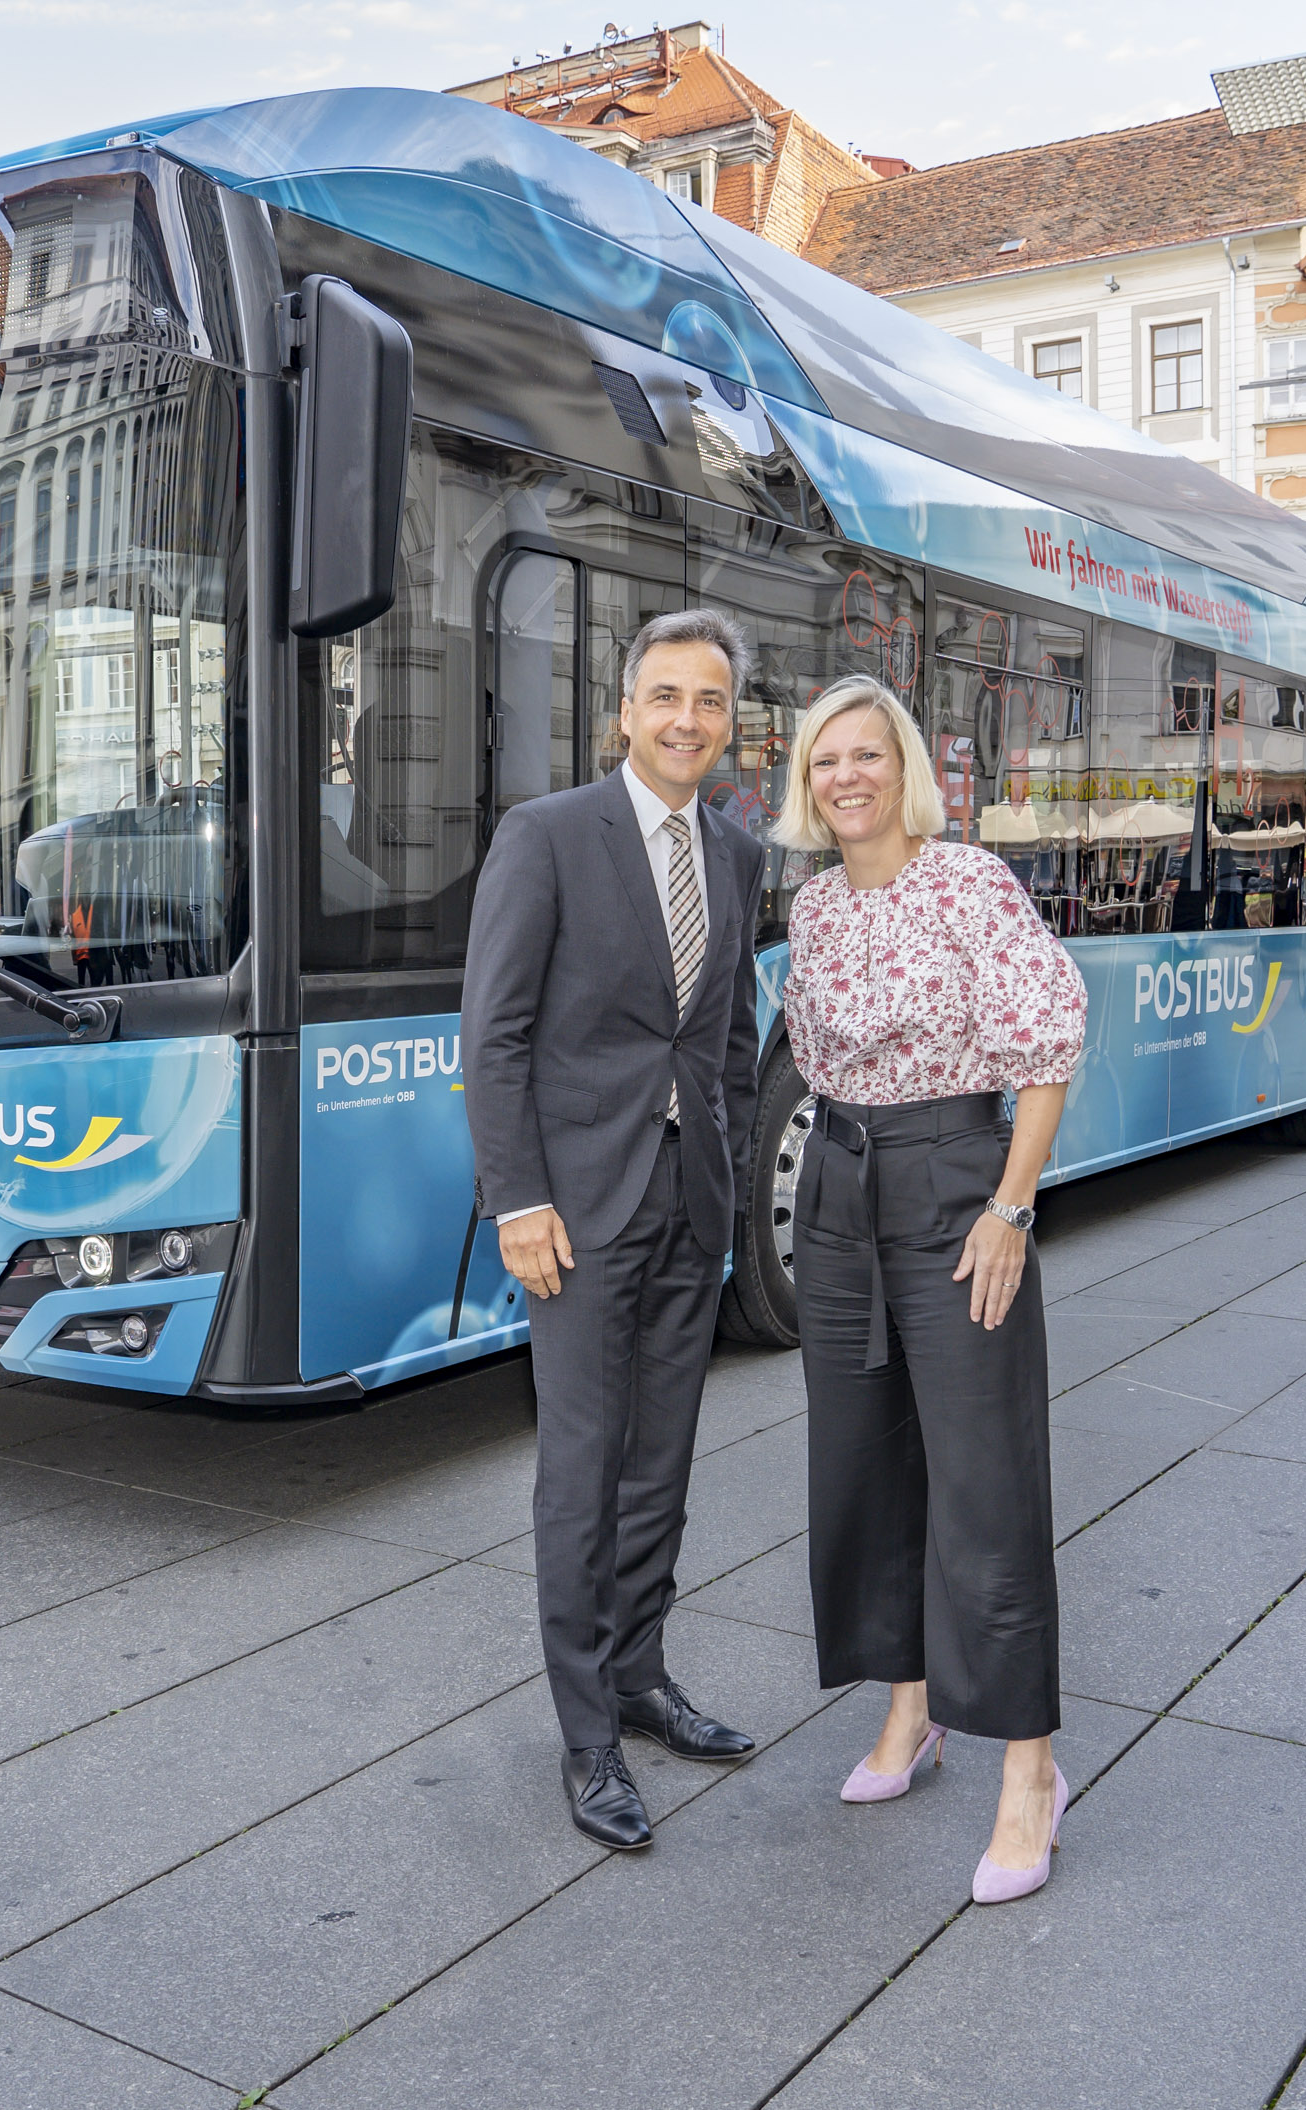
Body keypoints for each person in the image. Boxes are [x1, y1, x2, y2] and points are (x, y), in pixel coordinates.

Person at [775, 678, 1086, 1906]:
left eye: (868, 754)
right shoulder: (811, 905)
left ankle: (1032, 1766)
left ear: (907, 767)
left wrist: (1010, 1205)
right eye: (825, 759)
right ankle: (908, 1709)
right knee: (861, 1462)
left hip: (958, 1183)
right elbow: (810, 1058)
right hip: (841, 1192)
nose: (847, 775)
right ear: (807, 782)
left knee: (984, 1477)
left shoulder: (967, 882)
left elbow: (1046, 1039)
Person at [463, 607, 766, 1852]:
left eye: (708, 700)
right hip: (576, 1214)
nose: (686, 718)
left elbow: (731, 1032)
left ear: (728, 722)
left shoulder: (740, 853)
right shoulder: (545, 836)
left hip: (690, 1205)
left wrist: (734, 1168)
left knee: (662, 1465)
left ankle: (641, 1676)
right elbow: (495, 1035)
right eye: (665, 696)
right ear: (624, 712)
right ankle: (588, 1736)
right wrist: (518, 1199)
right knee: (581, 1475)